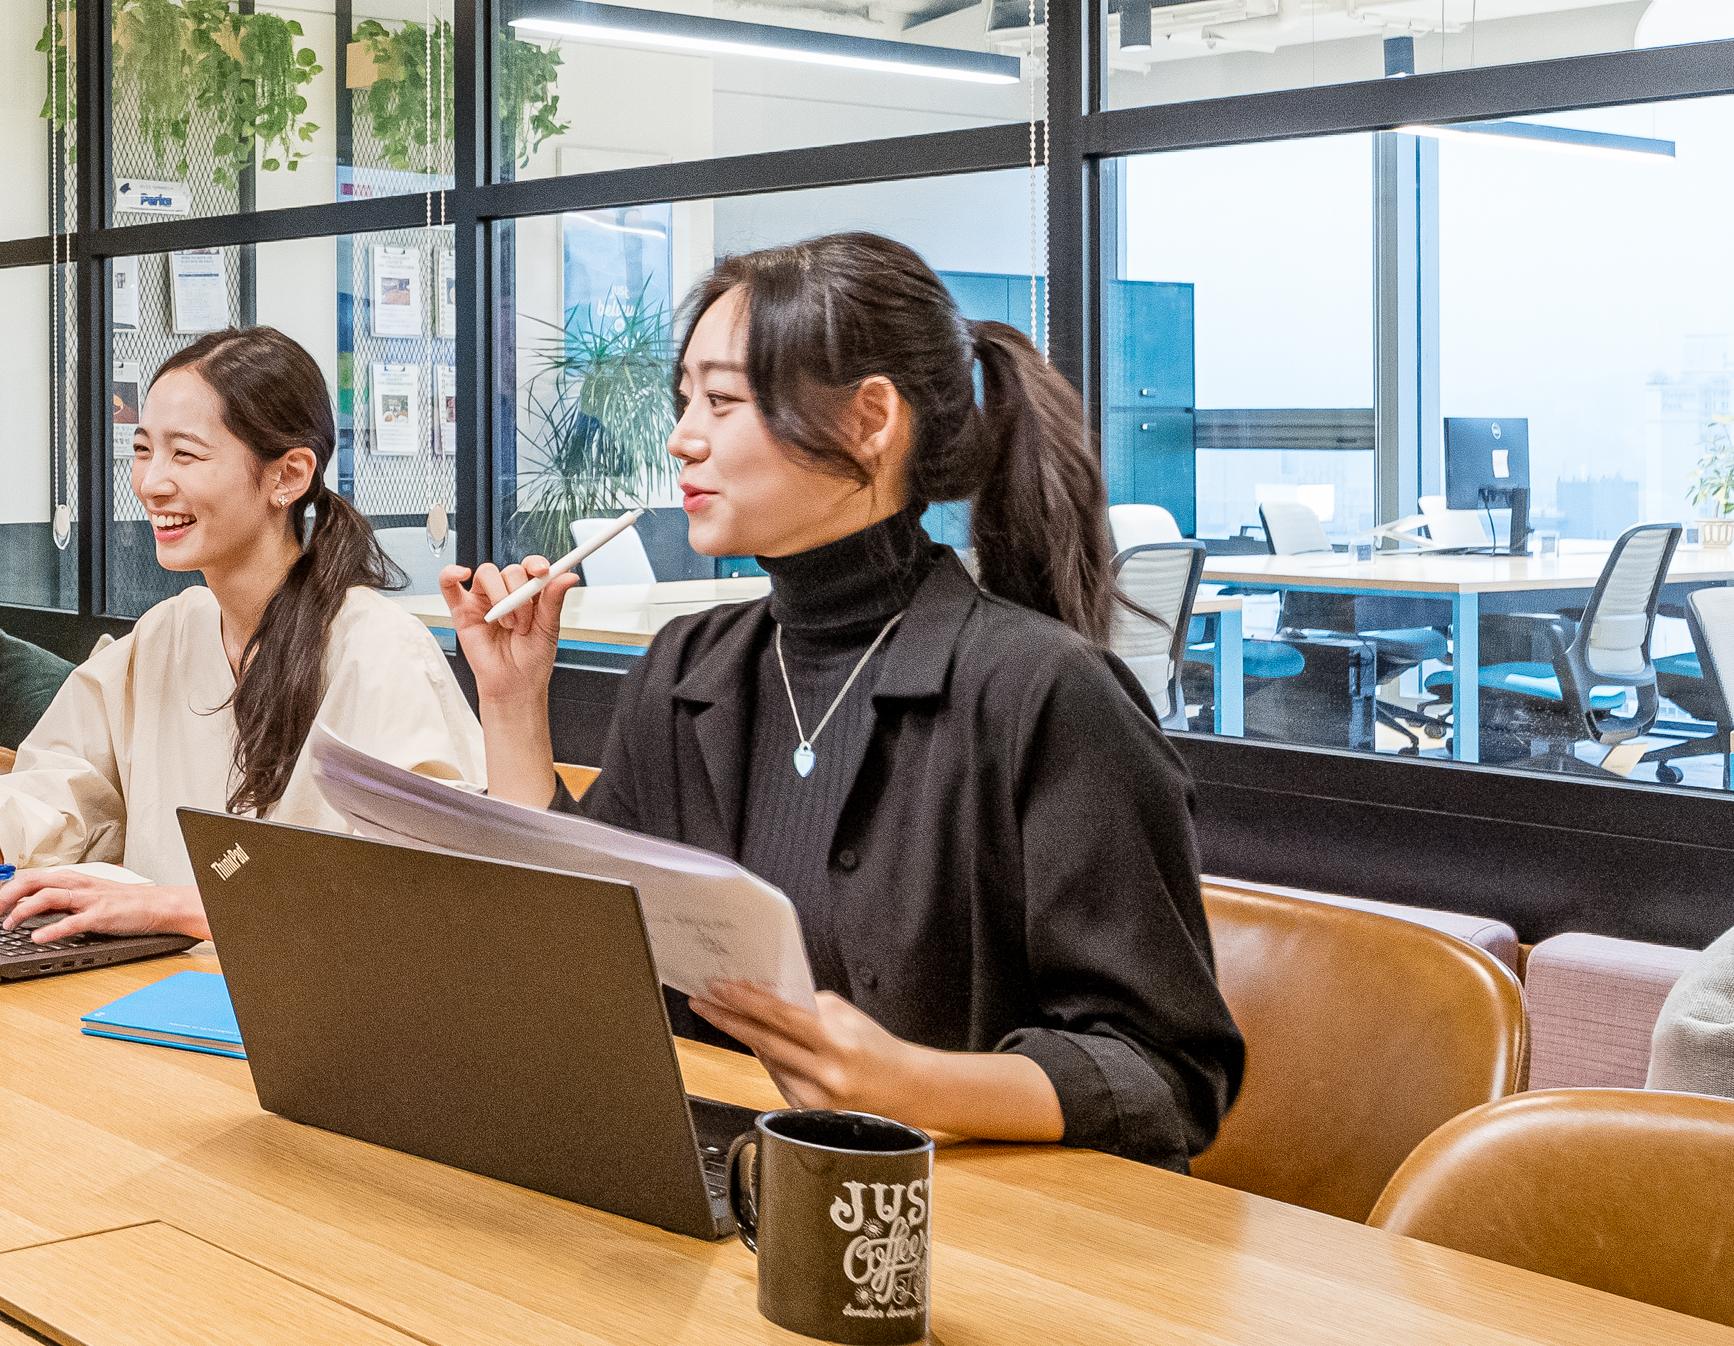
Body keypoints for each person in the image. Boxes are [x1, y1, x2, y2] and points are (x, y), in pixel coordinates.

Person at [440, 233, 1243, 1168]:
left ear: (871, 420)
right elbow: (585, 967)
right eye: (686, 398)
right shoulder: (687, 668)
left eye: (725, 400)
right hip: (725, 1192)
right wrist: (511, 703)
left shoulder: (1045, 693)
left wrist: (910, 1082)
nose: (682, 436)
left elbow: (1170, 1077)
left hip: (967, 1237)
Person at [0, 327, 482, 941]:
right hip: (143, 985)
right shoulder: (169, 631)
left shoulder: (379, 650)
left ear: (289, 475)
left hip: (309, 1009)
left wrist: (182, 909)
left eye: (186, 454)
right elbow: (69, 773)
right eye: (143, 449)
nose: (150, 482)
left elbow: (424, 886)